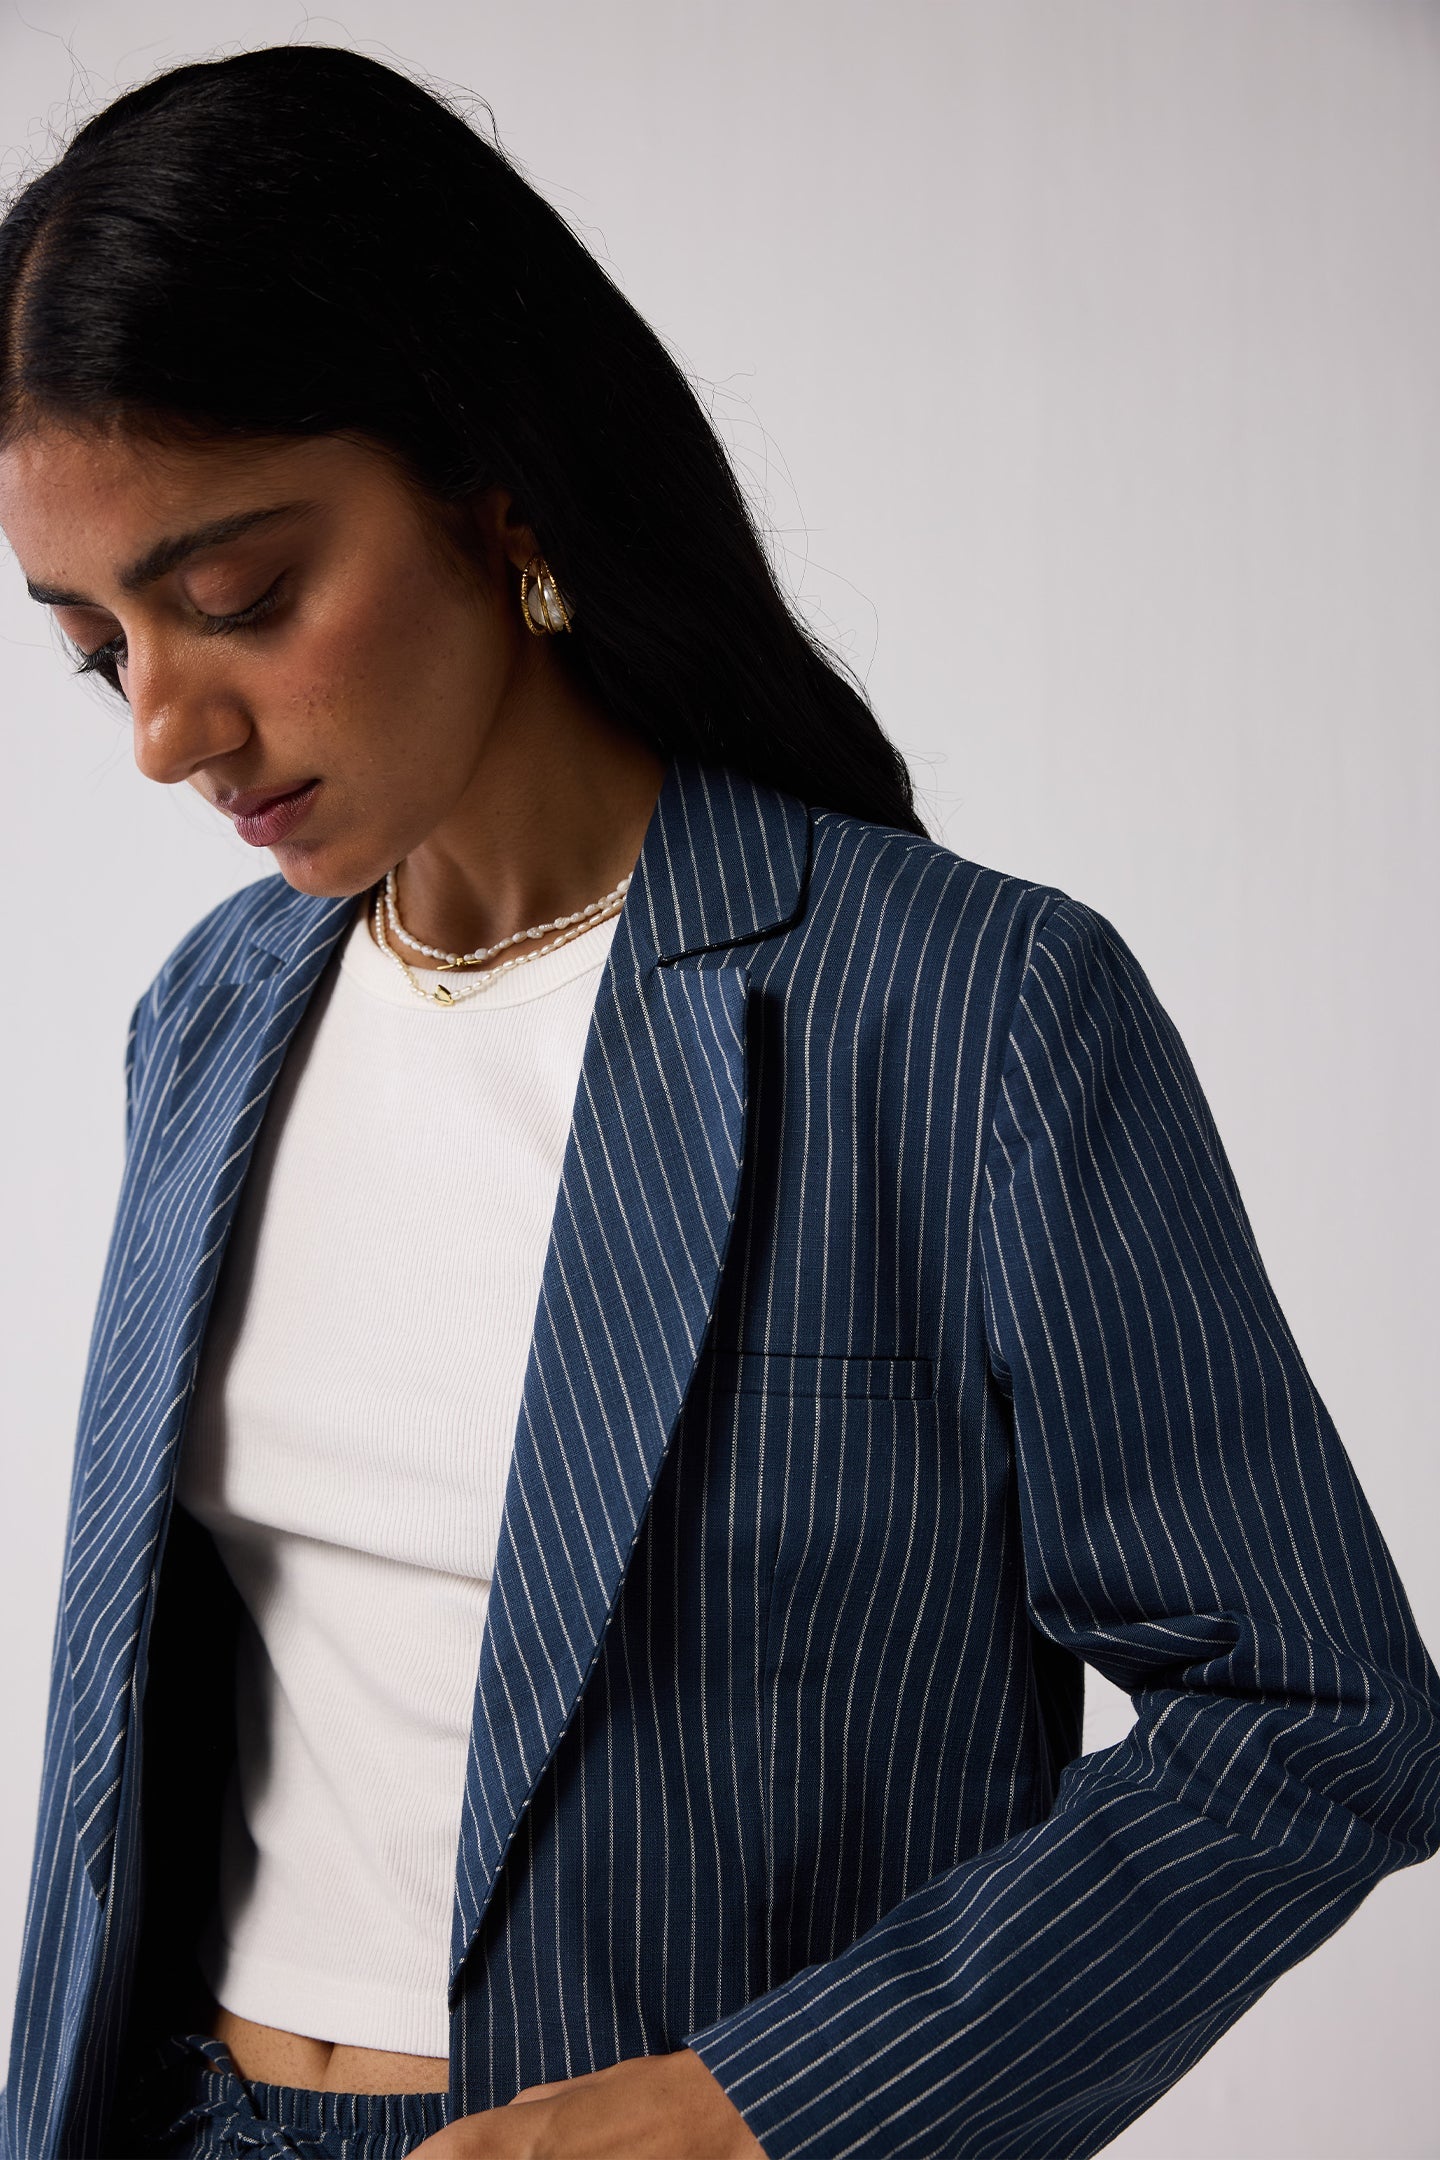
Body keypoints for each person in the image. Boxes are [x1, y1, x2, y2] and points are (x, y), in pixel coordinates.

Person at [0, 41, 1436, 2160]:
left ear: (498, 491)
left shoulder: (966, 1015)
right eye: (95, 644)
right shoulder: (211, 1015)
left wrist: (753, 2111)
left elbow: (1313, 1719)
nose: (163, 728)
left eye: (239, 599)